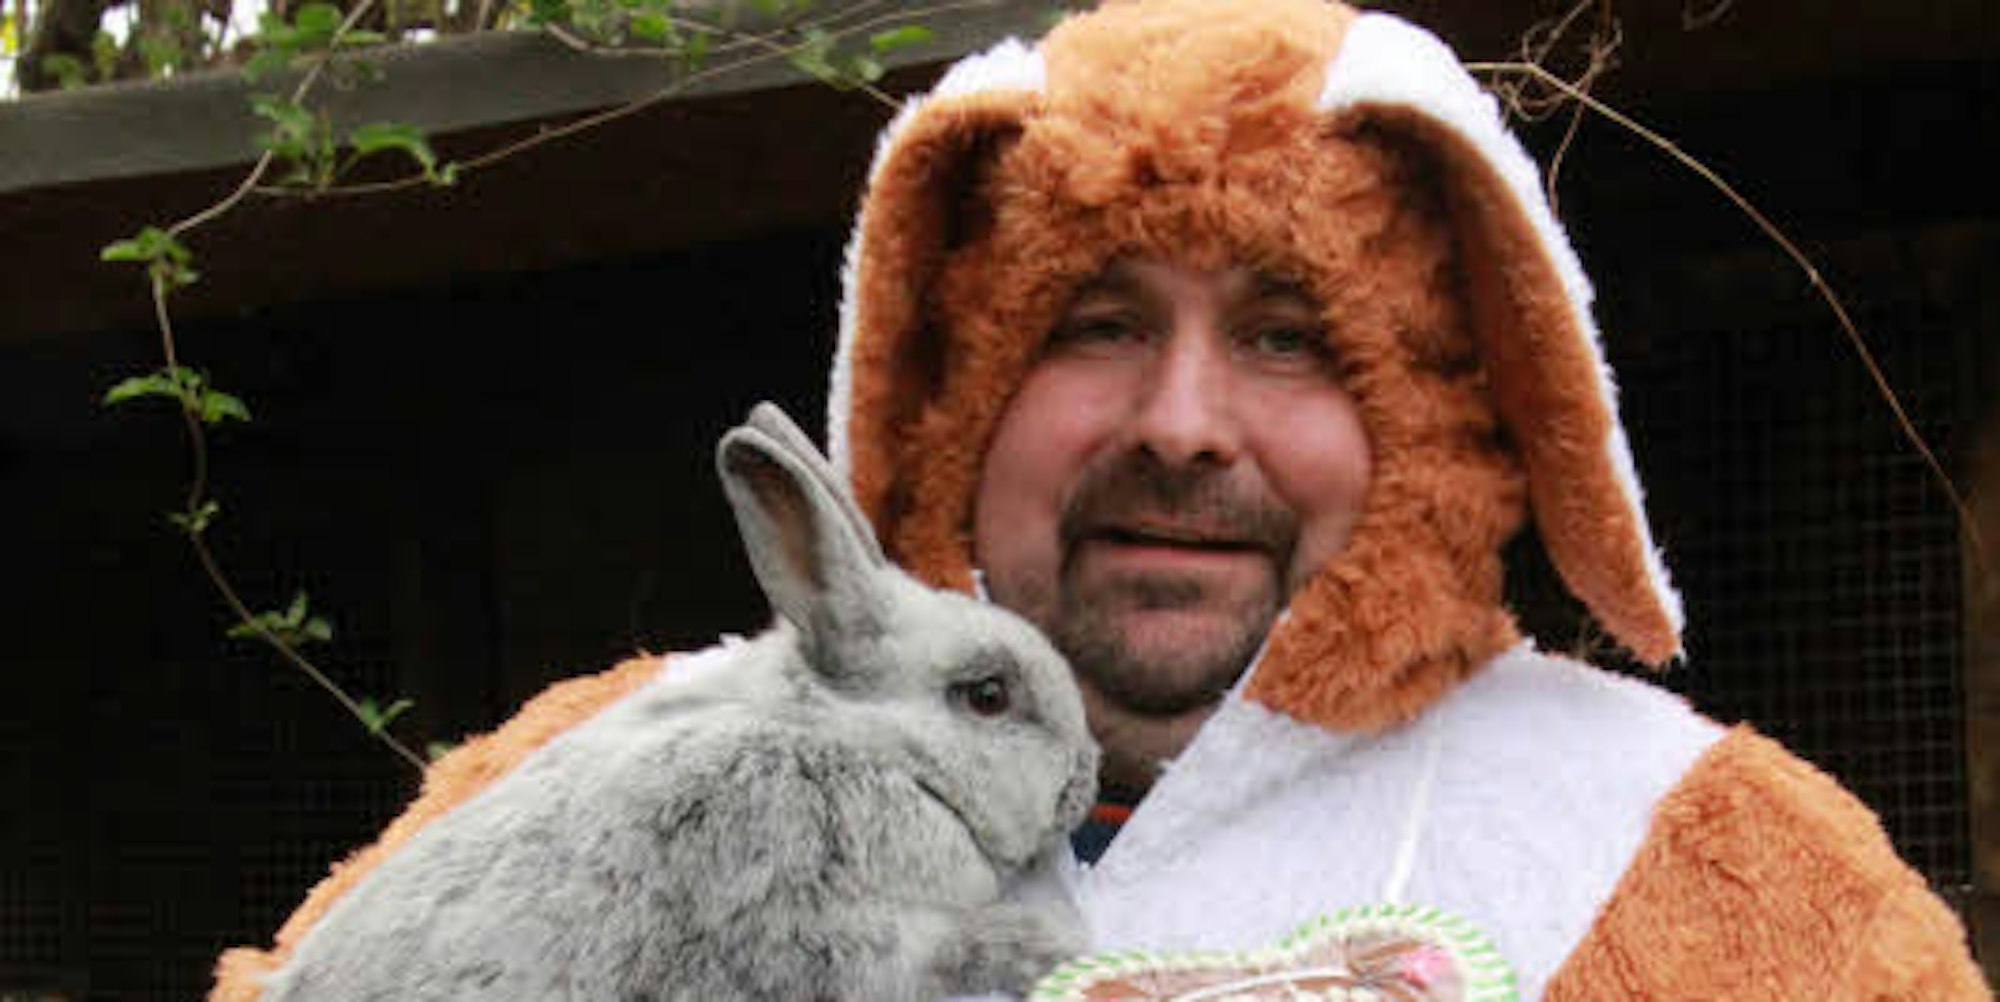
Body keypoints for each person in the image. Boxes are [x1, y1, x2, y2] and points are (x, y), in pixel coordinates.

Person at [213, 0, 1989, 998]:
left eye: (1289, 337)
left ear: (1444, 405)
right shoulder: (608, 765)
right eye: (1095, 324)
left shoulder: (1685, 848)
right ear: (950, 385)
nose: (1183, 424)